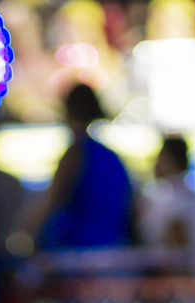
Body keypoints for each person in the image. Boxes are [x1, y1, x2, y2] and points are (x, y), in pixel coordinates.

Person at [24, 83, 134, 251]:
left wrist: (22, 233)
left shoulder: (76, 153)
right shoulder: (111, 157)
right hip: (115, 249)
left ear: (68, 111)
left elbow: (52, 201)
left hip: (80, 253)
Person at [138, 135, 195, 254]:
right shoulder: (194, 197)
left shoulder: (166, 198)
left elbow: (176, 246)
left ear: (172, 160)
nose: (156, 163)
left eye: (161, 157)